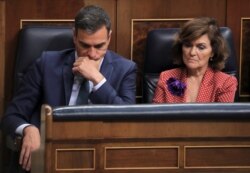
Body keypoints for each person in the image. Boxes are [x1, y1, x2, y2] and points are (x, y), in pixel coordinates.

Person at [1, 5, 137, 171]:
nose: (92, 54)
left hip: (100, 157)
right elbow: (12, 115)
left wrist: (97, 79)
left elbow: (128, 121)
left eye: (99, 46)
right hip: (51, 155)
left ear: (109, 38)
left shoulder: (125, 69)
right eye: (85, 45)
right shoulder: (47, 64)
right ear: (74, 36)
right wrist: (28, 129)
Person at [153, 17, 237, 103]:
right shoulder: (166, 77)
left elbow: (222, 116)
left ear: (213, 52)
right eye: (188, 45)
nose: (192, 52)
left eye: (201, 47)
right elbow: (156, 114)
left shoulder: (225, 82)